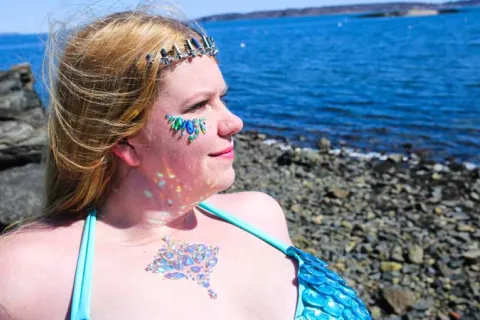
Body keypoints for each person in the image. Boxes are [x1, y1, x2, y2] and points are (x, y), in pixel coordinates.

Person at [0, 9, 371, 320]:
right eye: (198, 106)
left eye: (222, 99)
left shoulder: (261, 216)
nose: (234, 123)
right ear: (123, 141)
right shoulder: (28, 272)